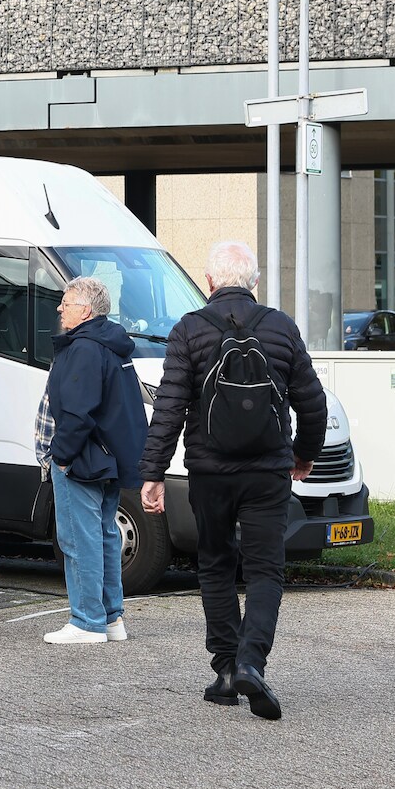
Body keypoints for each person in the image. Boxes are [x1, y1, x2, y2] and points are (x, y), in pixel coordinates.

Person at [139, 240, 327, 720]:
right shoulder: (282, 328)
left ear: (208, 282)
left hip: (210, 472)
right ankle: (251, 661)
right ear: (255, 283)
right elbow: (312, 401)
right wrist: (303, 455)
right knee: (265, 570)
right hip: (268, 472)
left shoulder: (189, 329)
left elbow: (170, 407)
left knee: (216, 565)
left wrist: (154, 472)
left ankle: (225, 670)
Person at [34, 275, 147, 646]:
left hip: (81, 460)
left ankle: (87, 621)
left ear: (85, 310)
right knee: (104, 536)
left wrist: (62, 457)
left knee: (79, 540)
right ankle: (111, 618)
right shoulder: (112, 345)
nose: (59, 308)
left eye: (65, 303)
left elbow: (78, 413)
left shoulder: (83, 348)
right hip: (107, 460)